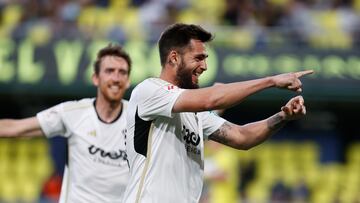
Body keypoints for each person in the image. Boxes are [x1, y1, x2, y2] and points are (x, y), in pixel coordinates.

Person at [122, 23, 314, 203]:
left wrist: (283, 116)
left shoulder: (196, 114)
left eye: (205, 59)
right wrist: (271, 81)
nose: (204, 66)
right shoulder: (149, 90)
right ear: (174, 58)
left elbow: (242, 137)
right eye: (198, 58)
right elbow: (211, 100)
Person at [0, 44, 131, 203]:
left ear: (128, 81)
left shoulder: (138, 118)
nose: (116, 78)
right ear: (95, 78)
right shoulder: (73, 113)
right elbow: (15, 128)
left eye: (122, 72)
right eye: (109, 71)